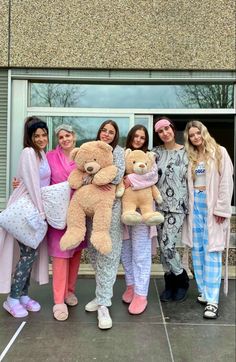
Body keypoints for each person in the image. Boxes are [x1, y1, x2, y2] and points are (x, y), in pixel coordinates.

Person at [0, 116, 51, 318]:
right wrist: (41, 212)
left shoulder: (41, 154)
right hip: (28, 212)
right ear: (29, 137)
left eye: (44, 134)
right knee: (28, 254)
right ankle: (12, 299)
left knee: (30, 255)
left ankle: (23, 295)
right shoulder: (29, 152)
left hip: (35, 210)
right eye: (36, 135)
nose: (41, 138)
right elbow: (31, 184)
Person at [183, 120, 233, 319]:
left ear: (204, 132)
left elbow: (226, 181)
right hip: (195, 206)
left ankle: (213, 300)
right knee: (198, 250)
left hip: (212, 207)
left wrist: (222, 208)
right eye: (191, 135)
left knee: (212, 252)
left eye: (198, 133)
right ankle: (204, 291)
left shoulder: (220, 152)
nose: (195, 137)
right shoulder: (191, 157)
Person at [85, 120, 125, 330]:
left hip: (111, 210)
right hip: (92, 212)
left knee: (108, 255)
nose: (107, 134)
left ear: (115, 135)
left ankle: (104, 305)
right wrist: (95, 178)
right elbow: (81, 173)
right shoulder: (91, 148)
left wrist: (94, 177)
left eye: (111, 132)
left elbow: (117, 174)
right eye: (104, 130)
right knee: (94, 253)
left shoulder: (118, 151)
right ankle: (100, 295)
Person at [46, 124, 87, 321]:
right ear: (58, 140)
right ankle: (58, 300)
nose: (65, 139)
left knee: (75, 253)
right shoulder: (50, 157)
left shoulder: (82, 155)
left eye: (68, 135)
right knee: (60, 255)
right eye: (61, 137)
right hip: (57, 213)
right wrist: (21, 184)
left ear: (74, 136)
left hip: (78, 213)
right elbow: (39, 179)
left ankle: (70, 291)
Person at [120, 125, 159, 314]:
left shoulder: (149, 157)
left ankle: (141, 294)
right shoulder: (123, 156)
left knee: (141, 253)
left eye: (142, 137)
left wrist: (130, 179)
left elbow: (152, 177)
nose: (138, 140)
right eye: (135, 136)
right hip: (125, 213)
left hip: (143, 214)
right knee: (126, 251)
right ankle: (131, 285)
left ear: (146, 140)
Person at [152, 116, 189, 302]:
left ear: (173, 129)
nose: (165, 133)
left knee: (169, 245)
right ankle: (170, 283)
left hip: (177, 206)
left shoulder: (186, 152)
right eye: (160, 131)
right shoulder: (155, 152)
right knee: (162, 246)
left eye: (167, 129)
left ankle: (181, 278)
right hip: (158, 206)